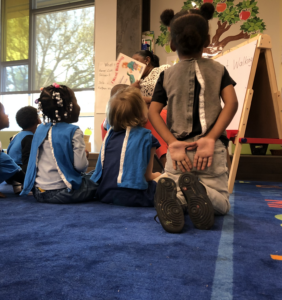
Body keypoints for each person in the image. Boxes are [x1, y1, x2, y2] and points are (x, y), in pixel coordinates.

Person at [148, 3, 238, 233]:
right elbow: (232, 103)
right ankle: (203, 192)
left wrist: (173, 143)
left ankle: (177, 198)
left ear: (172, 43)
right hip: (210, 151)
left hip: (179, 153)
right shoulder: (219, 69)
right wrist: (210, 139)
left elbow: (153, 112)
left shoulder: (166, 74)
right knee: (222, 203)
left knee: (176, 184)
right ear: (207, 41)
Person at [20, 83, 97, 204]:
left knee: (92, 176)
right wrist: (84, 157)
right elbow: (81, 166)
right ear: (68, 107)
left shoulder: (40, 129)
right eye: (76, 102)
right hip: (63, 192)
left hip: (39, 192)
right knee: (98, 177)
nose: (78, 106)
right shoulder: (74, 131)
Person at [91, 87, 161, 207]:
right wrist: (158, 175)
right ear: (142, 112)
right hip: (134, 196)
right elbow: (148, 176)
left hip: (104, 194)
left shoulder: (109, 134)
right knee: (164, 180)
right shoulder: (147, 137)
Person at [6, 106, 40, 193]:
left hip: (8, 173)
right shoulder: (29, 138)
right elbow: (27, 161)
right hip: (18, 174)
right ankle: (21, 185)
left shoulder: (16, 136)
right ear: (38, 120)